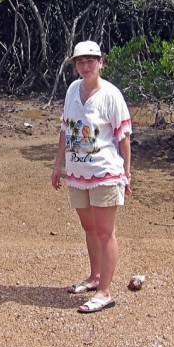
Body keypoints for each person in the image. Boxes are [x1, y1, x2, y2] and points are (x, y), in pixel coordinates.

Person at [51, 40, 132, 314]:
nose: (85, 66)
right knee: (89, 228)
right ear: (75, 66)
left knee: (105, 231)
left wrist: (127, 174)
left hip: (105, 172)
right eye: (80, 62)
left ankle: (105, 292)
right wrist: (57, 164)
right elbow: (66, 129)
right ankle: (95, 276)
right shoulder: (73, 90)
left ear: (101, 62)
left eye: (90, 61)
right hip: (78, 172)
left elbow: (124, 137)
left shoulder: (111, 94)